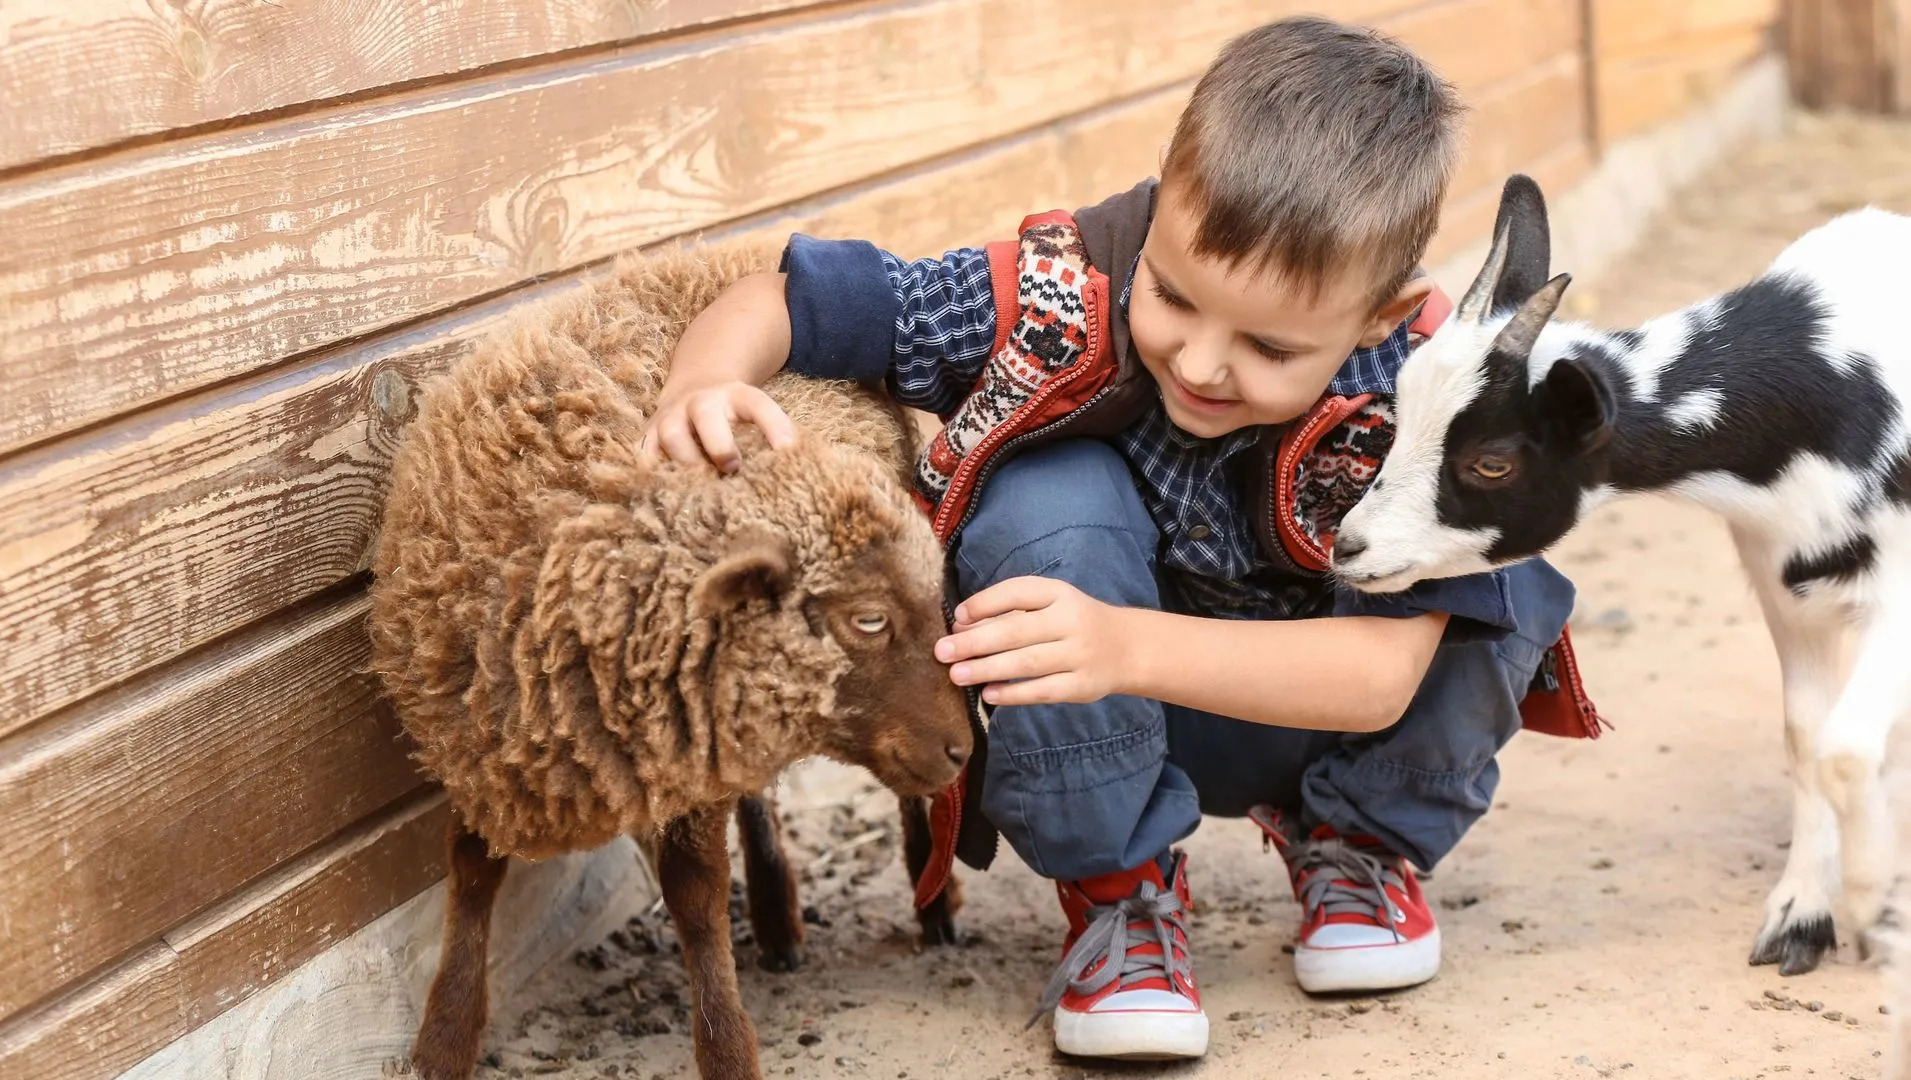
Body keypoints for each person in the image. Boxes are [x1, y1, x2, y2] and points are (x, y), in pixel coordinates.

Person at [644, 15, 1589, 1062]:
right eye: (1176, 295)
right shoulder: (1064, 294)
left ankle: (1357, 845)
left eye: (1271, 346)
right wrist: (705, 381)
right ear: (1160, 214)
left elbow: (1378, 680)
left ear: (1380, 317)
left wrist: (1131, 646)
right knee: (1044, 487)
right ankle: (1120, 895)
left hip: (1323, 710)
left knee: (1501, 570)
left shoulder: (1415, 398)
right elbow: (787, 300)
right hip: (1103, 718)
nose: (1203, 363)